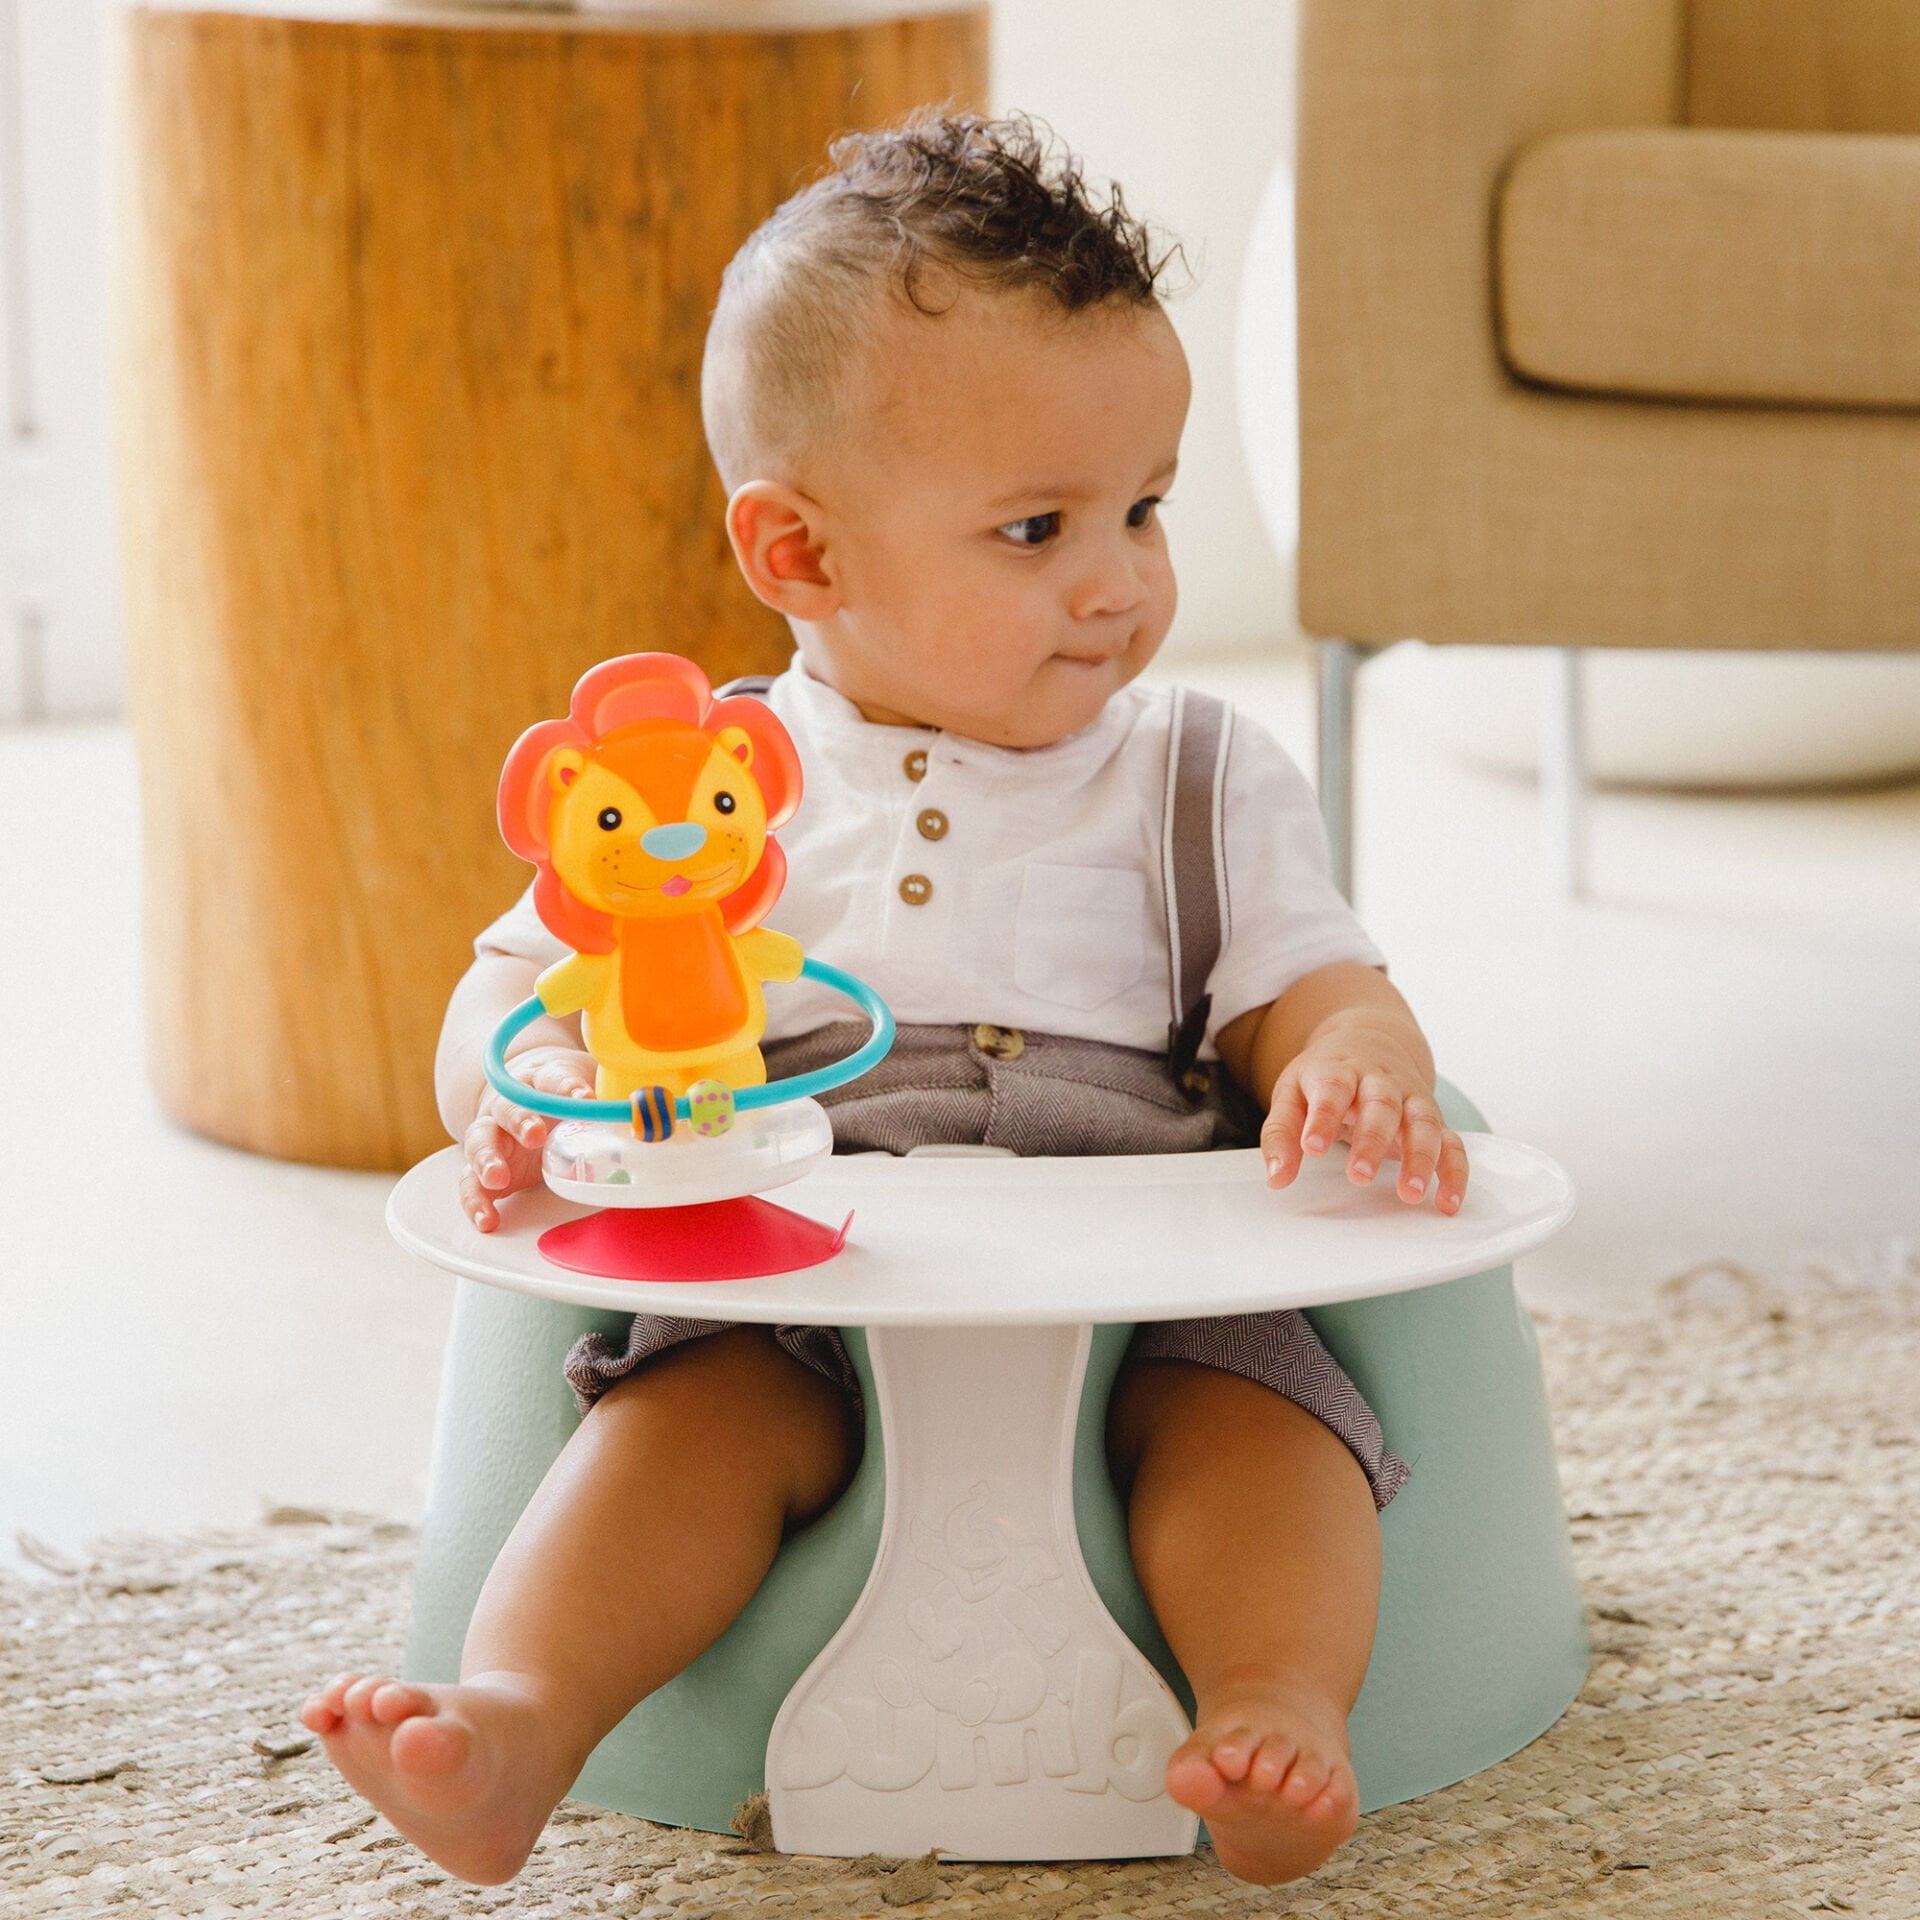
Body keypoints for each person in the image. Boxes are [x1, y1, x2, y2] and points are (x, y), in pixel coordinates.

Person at [301, 109, 1470, 1890]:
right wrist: (525, 1088)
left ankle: (1274, 1709)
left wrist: (1357, 1059)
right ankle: (520, 1721)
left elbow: (1311, 984)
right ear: (801, 557)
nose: (1119, 581)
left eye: (1145, 508)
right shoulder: (700, 785)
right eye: (1036, 527)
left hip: (1141, 1244)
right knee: (678, 1424)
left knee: (1267, 1420)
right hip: (798, 1242)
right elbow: (523, 989)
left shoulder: (1195, 770)